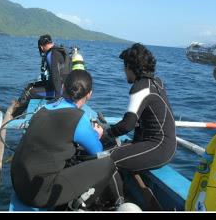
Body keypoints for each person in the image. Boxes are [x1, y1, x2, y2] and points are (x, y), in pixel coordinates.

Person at [10, 70, 124, 210]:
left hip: (19, 183)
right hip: (39, 194)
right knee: (108, 163)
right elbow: (97, 151)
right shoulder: (78, 118)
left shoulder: (43, 110)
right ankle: (76, 206)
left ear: (63, 87)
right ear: (89, 94)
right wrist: (97, 134)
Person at [105, 43, 177, 172]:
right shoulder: (156, 83)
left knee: (106, 159)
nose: (124, 71)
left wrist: (105, 133)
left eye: (124, 67)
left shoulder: (140, 88)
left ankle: (118, 193)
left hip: (158, 148)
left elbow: (127, 125)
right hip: (167, 147)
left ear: (130, 67)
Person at [12, 34, 72, 118]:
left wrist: (58, 97)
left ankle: (13, 116)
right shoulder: (59, 50)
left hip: (60, 91)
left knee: (29, 92)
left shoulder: (51, 54)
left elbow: (56, 76)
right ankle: (17, 112)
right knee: (31, 85)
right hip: (67, 88)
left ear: (41, 47)